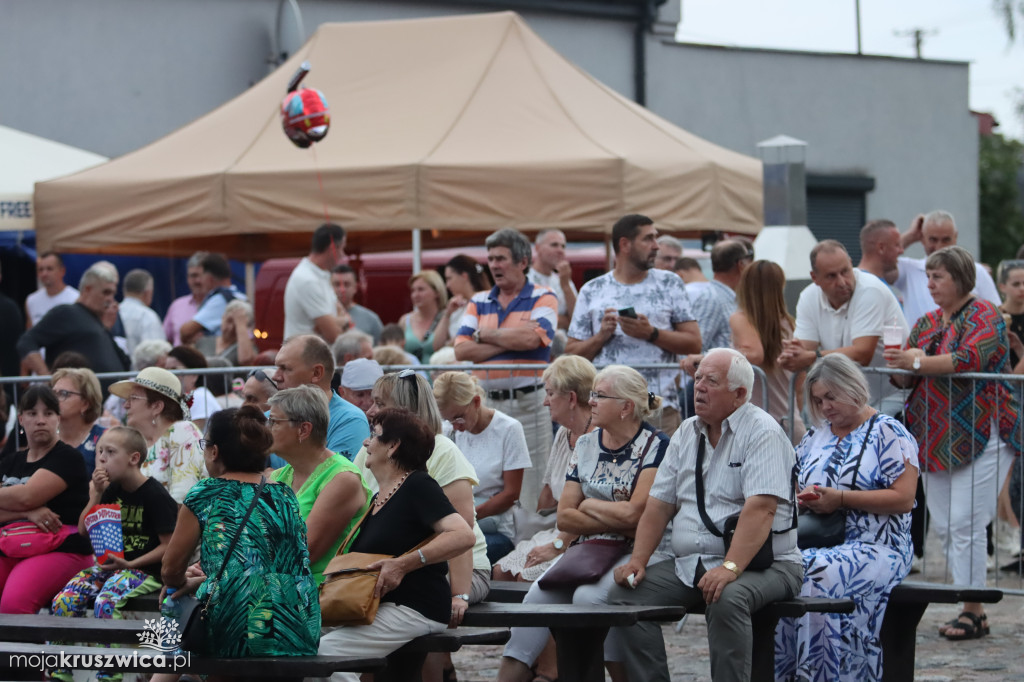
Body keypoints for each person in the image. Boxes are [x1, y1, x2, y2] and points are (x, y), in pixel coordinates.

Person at [605, 348, 802, 682]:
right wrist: (638, 560)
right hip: (693, 563)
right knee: (624, 596)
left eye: (711, 381)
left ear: (740, 394)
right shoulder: (685, 431)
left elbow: (761, 508)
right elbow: (659, 504)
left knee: (727, 597)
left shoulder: (763, 432)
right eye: (697, 379)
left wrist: (729, 567)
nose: (699, 387)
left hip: (768, 564)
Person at [497, 365, 671, 682]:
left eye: (599, 396)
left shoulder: (656, 446)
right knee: (534, 600)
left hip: (641, 551)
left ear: (626, 407)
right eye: (591, 395)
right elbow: (565, 516)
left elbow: (638, 518)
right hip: (591, 550)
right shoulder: (587, 445)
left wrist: (589, 504)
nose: (591, 402)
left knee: (589, 599)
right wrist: (613, 513)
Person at [884, 245, 1021, 641]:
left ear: (960, 278)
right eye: (928, 276)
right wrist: (900, 368)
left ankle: (973, 608)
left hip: (984, 429)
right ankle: (968, 602)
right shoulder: (926, 321)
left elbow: (968, 359)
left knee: (967, 521)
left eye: (938, 276)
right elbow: (910, 376)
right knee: (945, 524)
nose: (930, 284)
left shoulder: (985, 314)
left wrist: (913, 362)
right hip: (936, 434)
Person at [774, 354, 918, 681]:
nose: (825, 407)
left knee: (815, 571)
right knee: (786, 570)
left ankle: (822, 673)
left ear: (853, 388)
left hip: (880, 545)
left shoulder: (888, 432)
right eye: (818, 400)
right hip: (820, 541)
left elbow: (904, 498)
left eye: (831, 397)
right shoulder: (816, 436)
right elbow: (793, 484)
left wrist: (840, 499)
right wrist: (806, 499)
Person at [313, 408, 477, 682]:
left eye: (373, 435)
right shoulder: (380, 497)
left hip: (415, 606)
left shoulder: (418, 485)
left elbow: (463, 535)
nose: (366, 443)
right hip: (379, 605)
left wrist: (402, 565)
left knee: (324, 655)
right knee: (296, 643)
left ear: (393, 446)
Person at [354, 370, 493, 682]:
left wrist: (459, 595)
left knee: (416, 614)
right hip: (395, 568)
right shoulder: (370, 448)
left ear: (402, 411)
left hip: (451, 568)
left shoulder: (442, 451)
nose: (370, 410)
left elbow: (461, 534)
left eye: (380, 403)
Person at [161, 406, 321, 662]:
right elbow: (269, 572)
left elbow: (170, 570)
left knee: (174, 609)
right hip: (296, 623)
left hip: (238, 624)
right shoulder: (283, 493)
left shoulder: (206, 492)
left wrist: (183, 583)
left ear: (214, 451)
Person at [50, 426, 177, 681]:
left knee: (105, 603)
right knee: (64, 600)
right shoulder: (110, 489)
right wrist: (95, 493)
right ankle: (59, 668)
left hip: (144, 570)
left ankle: (109, 671)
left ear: (134, 458)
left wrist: (131, 563)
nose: (102, 458)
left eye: (110, 452)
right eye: (99, 452)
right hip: (112, 567)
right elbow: (84, 530)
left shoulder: (154, 495)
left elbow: (169, 547)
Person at [567, 214, 701, 436]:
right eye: (648, 239)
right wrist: (601, 336)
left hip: (658, 407)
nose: (656, 246)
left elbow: (694, 343)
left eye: (655, 238)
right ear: (625, 244)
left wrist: (651, 333)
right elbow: (571, 354)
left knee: (660, 471)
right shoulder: (592, 289)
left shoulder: (670, 283)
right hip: (607, 409)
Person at [454, 228, 558, 510]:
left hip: (530, 405)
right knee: (485, 480)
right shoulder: (478, 300)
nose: (494, 265)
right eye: (490, 258)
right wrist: (513, 340)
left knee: (533, 481)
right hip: (484, 409)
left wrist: (485, 335)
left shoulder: (545, 296)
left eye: (501, 258)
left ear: (523, 262)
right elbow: (461, 349)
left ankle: (529, 546)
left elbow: (532, 338)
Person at [494, 354, 597, 583]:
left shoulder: (599, 437)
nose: (544, 401)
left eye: (550, 393)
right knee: (500, 572)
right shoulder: (564, 432)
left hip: (587, 536)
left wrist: (556, 544)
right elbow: (548, 494)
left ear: (571, 398)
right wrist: (535, 534)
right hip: (557, 530)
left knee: (525, 577)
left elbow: (590, 512)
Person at [779, 240, 907, 414]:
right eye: (831, 276)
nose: (842, 281)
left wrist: (811, 357)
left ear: (851, 264)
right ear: (815, 278)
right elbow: (802, 351)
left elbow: (863, 353)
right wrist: (792, 355)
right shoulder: (808, 296)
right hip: (845, 399)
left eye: (845, 271)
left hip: (891, 396)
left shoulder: (871, 290)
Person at [0, 386, 92, 614]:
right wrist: (27, 514)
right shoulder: (9, 462)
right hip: (10, 545)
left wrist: (24, 506)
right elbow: (26, 505)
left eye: (48, 413)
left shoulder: (68, 458)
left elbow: (27, 496)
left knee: (13, 605)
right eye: (32, 413)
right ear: (21, 419)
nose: (40, 420)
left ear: (58, 419)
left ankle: (25, 652)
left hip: (61, 549)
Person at [268, 386, 370, 584]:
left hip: (317, 598)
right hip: (279, 589)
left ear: (304, 429)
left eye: (273, 422)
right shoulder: (279, 476)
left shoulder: (342, 478)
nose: (267, 429)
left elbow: (305, 552)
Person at [433, 372, 531, 564]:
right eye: (449, 420)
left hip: (496, 525)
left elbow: (511, 494)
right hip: (458, 520)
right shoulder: (449, 430)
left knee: (444, 556)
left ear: (476, 402)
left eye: (459, 418)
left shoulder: (509, 429)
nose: (456, 426)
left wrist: (466, 517)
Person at [18, 262, 130, 389]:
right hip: (78, 398)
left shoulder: (97, 320)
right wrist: (47, 377)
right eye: (106, 292)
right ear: (88, 289)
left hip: (106, 401)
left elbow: (124, 361)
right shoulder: (67, 313)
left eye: (112, 294)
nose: (110, 299)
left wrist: (106, 329)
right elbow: (26, 342)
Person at [728, 260, 806, 443]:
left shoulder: (740, 319)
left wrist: (712, 357)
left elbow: (755, 354)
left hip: (754, 426)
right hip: (789, 423)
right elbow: (799, 383)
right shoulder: (791, 325)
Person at [109, 367, 206, 503]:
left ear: (157, 407)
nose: (126, 405)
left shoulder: (182, 431)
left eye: (133, 398)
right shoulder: (136, 443)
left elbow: (183, 497)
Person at [272, 334, 370, 461]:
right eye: (277, 368)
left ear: (317, 373)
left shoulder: (349, 420)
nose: (276, 376)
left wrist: (269, 477)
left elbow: (335, 477)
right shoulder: (268, 418)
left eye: (285, 368)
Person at [895, 211, 1000, 327]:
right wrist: (910, 236)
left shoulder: (977, 271)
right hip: (919, 343)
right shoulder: (909, 269)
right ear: (922, 238)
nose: (939, 246)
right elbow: (878, 260)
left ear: (955, 237)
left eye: (946, 240)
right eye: (933, 239)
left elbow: (997, 317)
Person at [284, 223, 346, 343]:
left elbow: (342, 315)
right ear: (333, 248)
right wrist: (339, 322)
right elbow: (334, 334)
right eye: (342, 248)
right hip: (306, 358)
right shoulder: (307, 280)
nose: (343, 255)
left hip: (313, 356)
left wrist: (334, 322)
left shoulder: (320, 276)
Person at [687, 239, 753, 352]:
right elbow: (696, 347)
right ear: (740, 265)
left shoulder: (725, 296)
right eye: (748, 261)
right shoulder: (711, 299)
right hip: (718, 369)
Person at [179, 253, 247, 352]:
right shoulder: (241, 297)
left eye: (202, 276)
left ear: (210, 279)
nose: (201, 281)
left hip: (222, 354)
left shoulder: (220, 299)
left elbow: (185, 331)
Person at [51, 367, 107, 475]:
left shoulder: (104, 437)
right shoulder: (46, 436)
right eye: (53, 393)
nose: (54, 399)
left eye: (63, 394)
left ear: (85, 404)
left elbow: (101, 484)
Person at [436, 254, 493, 351]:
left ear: (464, 276)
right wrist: (447, 314)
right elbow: (436, 345)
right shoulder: (455, 307)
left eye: (449, 278)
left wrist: (449, 345)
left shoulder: (486, 301)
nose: (447, 285)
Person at [528, 229, 577, 330]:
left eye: (563, 246)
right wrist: (564, 320)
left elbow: (577, 320)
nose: (560, 250)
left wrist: (566, 286)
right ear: (538, 248)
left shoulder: (565, 280)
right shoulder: (525, 279)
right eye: (554, 245)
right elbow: (527, 320)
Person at [165, 345, 221, 430]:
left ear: (194, 374)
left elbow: (190, 435)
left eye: (174, 369)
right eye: (167, 370)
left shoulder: (199, 396)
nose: (169, 375)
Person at [399, 270, 448, 363]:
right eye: (413, 290)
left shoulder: (448, 317)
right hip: (411, 376)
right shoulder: (405, 320)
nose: (415, 295)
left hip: (439, 377)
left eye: (421, 289)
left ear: (437, 292)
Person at [163, 251, 208, 346]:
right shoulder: (177, 305)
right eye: (193, 276)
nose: (198, 281)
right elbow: (166, 339)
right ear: (187, 278)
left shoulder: (221, 303)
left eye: (201, 275)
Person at [331, 264, 383, 344]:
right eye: (337, 284)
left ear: (355, 287)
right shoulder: (322, 317)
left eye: (347, 284)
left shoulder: (371, 319)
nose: (342, 290)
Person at [25, 251, 78, 329]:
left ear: (62, 271)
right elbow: (29, 333)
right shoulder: (31, 300)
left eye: (49, 269)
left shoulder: (76, 299)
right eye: (40, 270)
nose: (44, 273)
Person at [119, 268, 166, 357]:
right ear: (147, 293)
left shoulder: (113, 313)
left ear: (124, 290)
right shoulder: (147, 316)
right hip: (142, 370)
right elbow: (156, 354)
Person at [856, 219, 905, 298]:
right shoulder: (869, 287)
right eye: (897, 245)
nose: (901, 251)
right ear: (881, 248)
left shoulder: (865, 284)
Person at [997, 259, 1024, 373]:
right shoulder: (994, 316)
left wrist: (1019, 347)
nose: (1022, 288)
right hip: (1001, 383)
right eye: (1016, 284)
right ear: (1002, 287)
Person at [214, 299, 257, 366]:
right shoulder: (204, 341)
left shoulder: (249, 348)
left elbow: (246, 360)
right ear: (223, 318)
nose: (231, 328)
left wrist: (240, 323)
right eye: (229, 321)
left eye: (236, 325)